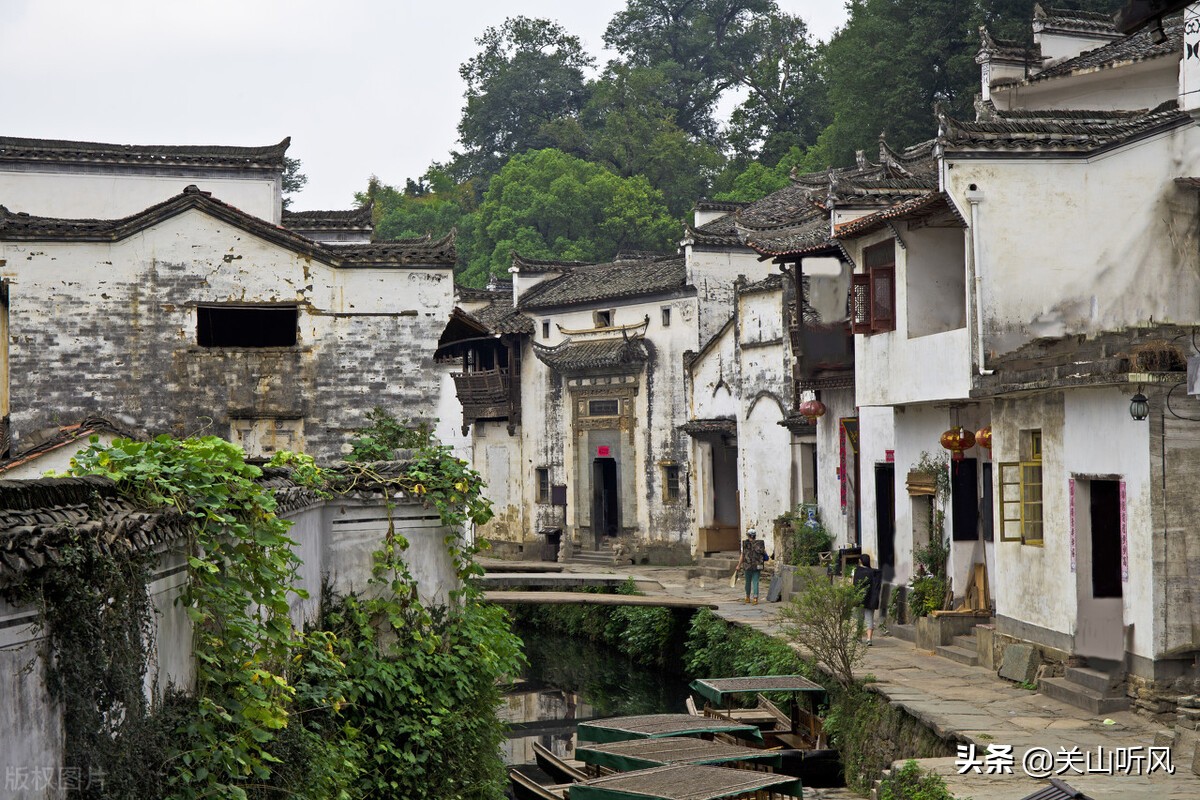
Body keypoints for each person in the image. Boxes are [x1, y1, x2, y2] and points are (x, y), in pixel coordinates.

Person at [853, 554, 883, 645]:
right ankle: (869, 639)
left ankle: (858, 638)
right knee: (869, 619)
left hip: (860, 599)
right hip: (871, 599)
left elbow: (855, 585)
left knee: (860, 619)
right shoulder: (874, 573)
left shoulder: (858, 572)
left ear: (860, 561)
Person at [735, 527, 767, 604]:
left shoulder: (745, 544)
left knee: (748, 582)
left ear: (748, 535)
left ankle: (747, 597)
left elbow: (742, 556)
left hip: (747, 565)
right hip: (757, 566)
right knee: (756, 582)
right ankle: (755, 598)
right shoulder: (760, 544)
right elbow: (764, 554)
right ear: (755, 535)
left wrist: (738, 565)